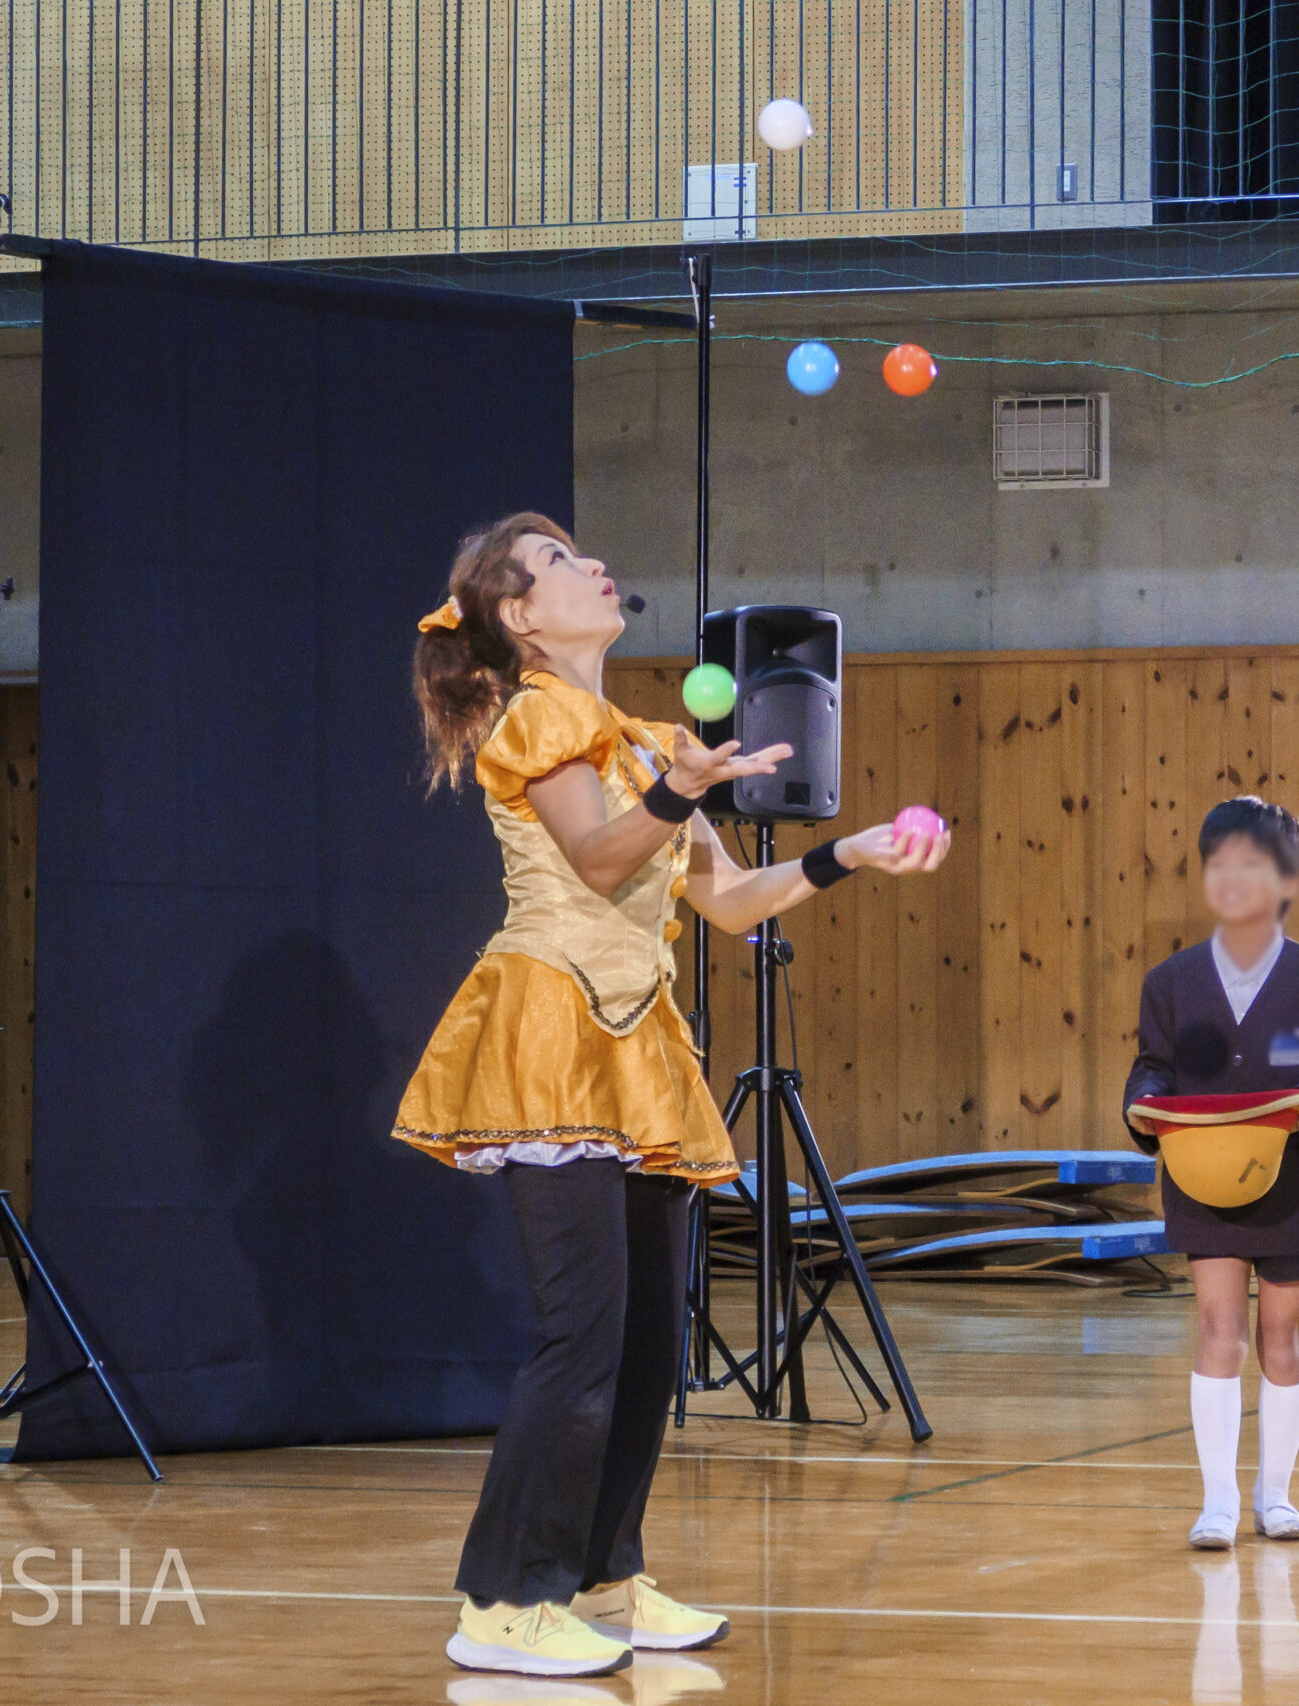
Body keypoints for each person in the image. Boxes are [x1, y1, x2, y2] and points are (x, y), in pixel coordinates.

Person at [395, 513, 951, 1678]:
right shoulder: (538, 713)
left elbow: (734, 901)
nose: (590, 564)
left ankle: (601, 1572)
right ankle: (502, 1600)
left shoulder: (643, 734)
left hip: (637, 1039)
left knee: (650, 1336)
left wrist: (848, 852)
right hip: (549, 1029)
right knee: (581, 1334)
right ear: (519, 617)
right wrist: (674, 789)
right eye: (555, 562)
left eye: (580, 552)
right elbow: (598, 861)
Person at [1122, 796, 1299, 1549]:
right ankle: (1218, 1502)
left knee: (1282, 1339)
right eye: (1222, 864)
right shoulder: (1172, 981)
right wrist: (1142, 1106)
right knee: (1217, 1329)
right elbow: (1152, 1070)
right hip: (1206, 1179)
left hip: (1295, 1180)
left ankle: (1277, 1495)